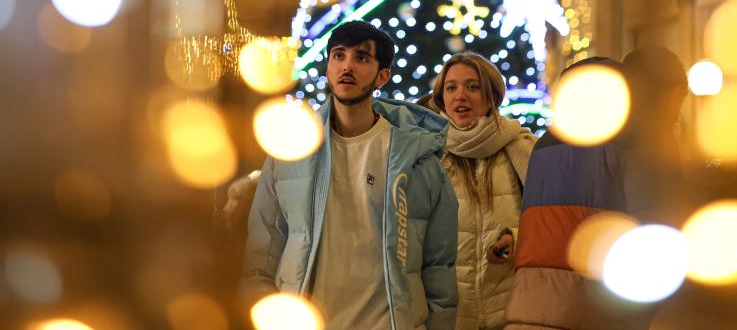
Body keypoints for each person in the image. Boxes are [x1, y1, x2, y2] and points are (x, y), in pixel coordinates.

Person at [242, 19, 459, 330]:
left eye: (362, 58)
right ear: (328, 67)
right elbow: (260, 258)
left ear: (382, 75)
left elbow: (439, 268)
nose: (347, 67)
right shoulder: (289, 150)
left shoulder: (419, 161)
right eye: (338, 55)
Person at [503, 50, 689, 330]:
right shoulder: (634, 138)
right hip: (597, 307)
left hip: (533, 303)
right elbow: (653, 232)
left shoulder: (544, 144)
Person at [431, 52, 537, 330]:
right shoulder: (429, 155)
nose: (460, 95)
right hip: (450, 316)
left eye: (472, 86)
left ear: (492, 97)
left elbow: (550, 220)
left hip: (514, 311)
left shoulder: (524, 150)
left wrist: (517, 238)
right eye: (451, 88)